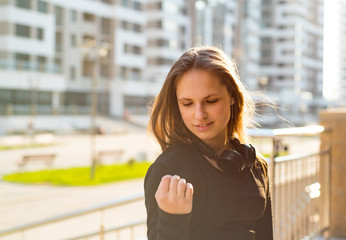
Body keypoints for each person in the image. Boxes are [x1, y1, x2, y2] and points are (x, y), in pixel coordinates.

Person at [144, 46, 273, 240]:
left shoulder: (254, 164)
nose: (199, 114)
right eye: (187, 103)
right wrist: (173, 220)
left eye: (210, 100)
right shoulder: (168, 171)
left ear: (231, 96)